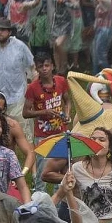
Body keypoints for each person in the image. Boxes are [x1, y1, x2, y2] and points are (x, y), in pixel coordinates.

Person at [0, 18, 35, 144]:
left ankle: (31, 163)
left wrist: (32, 91)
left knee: (26, 137)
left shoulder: (20, 47)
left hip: (18, 98)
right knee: (2, 139)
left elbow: (33, 67)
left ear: (9, 32)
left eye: (3, 30)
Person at [24, 52, 69, 187]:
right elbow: (25, 113)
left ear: (52, 66)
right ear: (36, 69)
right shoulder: (32, 88)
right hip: (42, 135)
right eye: (40, 66)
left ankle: (60, 200)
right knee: (42, 172)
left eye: (47, 65)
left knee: (61, 169)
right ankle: (39, 200)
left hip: (60, 132)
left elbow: (67, 101)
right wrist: (44, 112)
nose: (44, 69)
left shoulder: (61, 81)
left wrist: (67, 114)